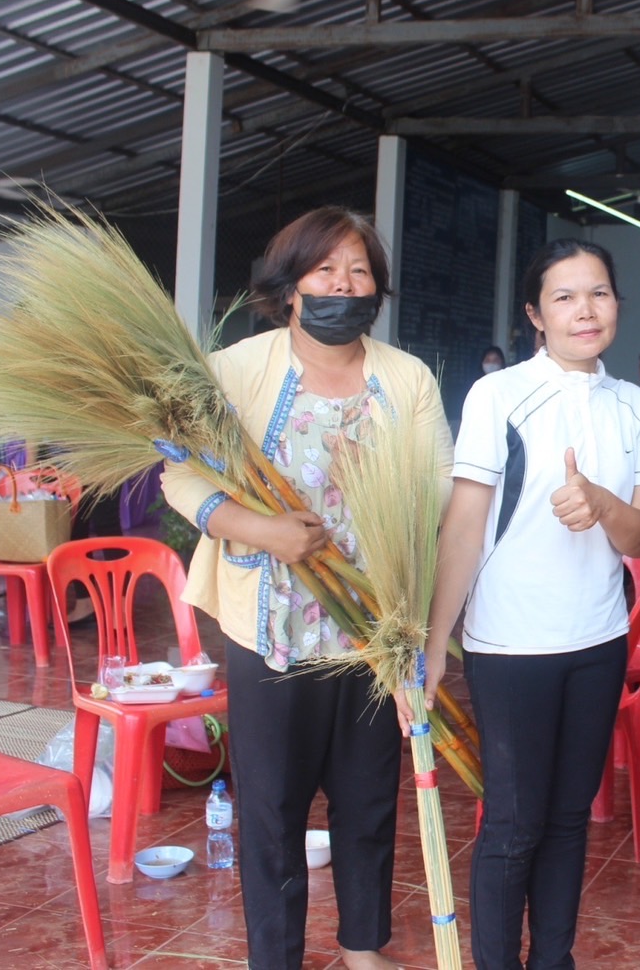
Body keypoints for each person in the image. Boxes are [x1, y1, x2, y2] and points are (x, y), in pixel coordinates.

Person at [161, 207, 453, 970]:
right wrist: (264, 532)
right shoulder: (234, 369)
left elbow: (436, 495)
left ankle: (362, 947)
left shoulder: (407, 379)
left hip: (369, 624)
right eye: (326, 271)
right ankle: (275, 957)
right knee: (270, 809)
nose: (343, 286)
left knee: (366, 801)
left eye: (359, 273)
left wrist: (419, 627)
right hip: (270, 624)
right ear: (290, 286)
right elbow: (182, 475)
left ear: (377, 291)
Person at [413, 239, 640, 970]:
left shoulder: (633, 404)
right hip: (511, 643)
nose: (586, 310)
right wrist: (434, 643)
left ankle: (554, 959)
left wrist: (600, 504)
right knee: (514, 823)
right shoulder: (499, 394)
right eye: (565, 297)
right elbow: (462, 526)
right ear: (535, 315)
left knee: (567, 819)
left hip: (597, 639)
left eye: (600, 293)